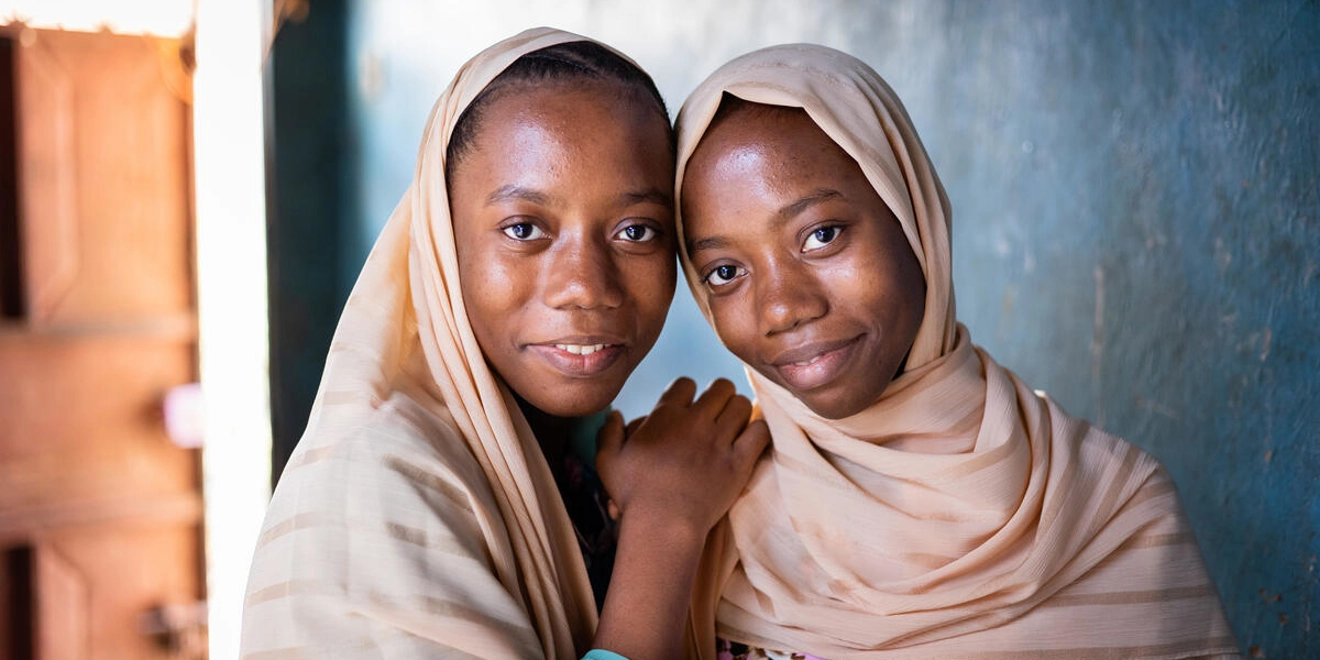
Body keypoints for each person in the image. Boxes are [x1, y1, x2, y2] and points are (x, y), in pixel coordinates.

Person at [672, 44, 1240, 659]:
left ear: (914, 214)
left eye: (821, 235)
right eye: (726, 271)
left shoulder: (1115, 511)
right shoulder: (699, 516)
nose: (782, 307)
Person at [240, 28, 768, 660]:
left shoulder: (578, 461)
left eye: (636, 230)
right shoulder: (373, 497)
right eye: (524, 228)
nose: (585, 288)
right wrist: (663, 528)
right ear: (441, 241)